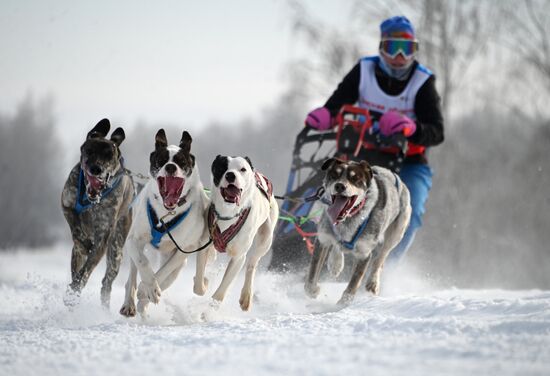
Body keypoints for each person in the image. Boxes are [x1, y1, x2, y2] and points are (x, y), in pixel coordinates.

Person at [305, 15, 444, 262]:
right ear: (382, 48)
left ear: (415, 50)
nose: (400, 56)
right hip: (362, 157)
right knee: (325, 195)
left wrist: (412, 128)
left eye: (407, 49)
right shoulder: (364, 70)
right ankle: (311, 251)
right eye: (393, 47)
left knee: (410, 212)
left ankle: (382, 268)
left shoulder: (423, 81)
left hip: (408, 163)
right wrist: (326, 114)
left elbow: (437, 132)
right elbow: (337, 104)